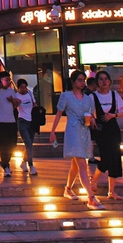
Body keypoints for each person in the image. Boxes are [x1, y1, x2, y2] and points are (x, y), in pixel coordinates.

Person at [49, 70, 101, 210]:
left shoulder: (88, 98)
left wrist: (92, 120)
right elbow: (59, 113)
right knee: (82, 163)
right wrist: (53, 131)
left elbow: (91, 114)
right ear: (73, 82)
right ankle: (90, 197)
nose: (82, 83)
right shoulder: (66, 96)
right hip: (73, 130)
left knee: (76, 163)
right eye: (79, 80)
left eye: (83, 80)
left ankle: (68, 188)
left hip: (84, 131)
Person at [90, 70, 123, 200]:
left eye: (106, 79)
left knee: (115, 158)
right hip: (100, 130)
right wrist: (92, 119)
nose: (104, 81)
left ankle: (111, 191)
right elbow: (88, 112)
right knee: (106, 158)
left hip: (113, 129)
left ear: (110, 81)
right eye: (101, 79)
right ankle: (94, 179)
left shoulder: (114, 94)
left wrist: (114, 115)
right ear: (97, 82)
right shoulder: (92, 96)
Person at [0, 70, 19, 177]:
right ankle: (6, 166)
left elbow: (16, 104)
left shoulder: (11, 91)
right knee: (3, 144)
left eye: (9, 79)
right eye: (6, 80)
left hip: (11, 120)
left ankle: (4, 162)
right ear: (1, 80)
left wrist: (12, 101)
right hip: (0, 121)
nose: (8, 81)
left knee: (13, 143)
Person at [14, 78, 38, 175]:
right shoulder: (16, 96)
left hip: (31, 121)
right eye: (21, 87)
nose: (23, 89)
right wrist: (16, 102)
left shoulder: (30, 94)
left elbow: (34, 104)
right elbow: (13, 107)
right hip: (22, 121)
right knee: (28, 143)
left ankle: (24, 162)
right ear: (18, 88)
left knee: (29, 144)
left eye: (25, 87)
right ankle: (31, 165)